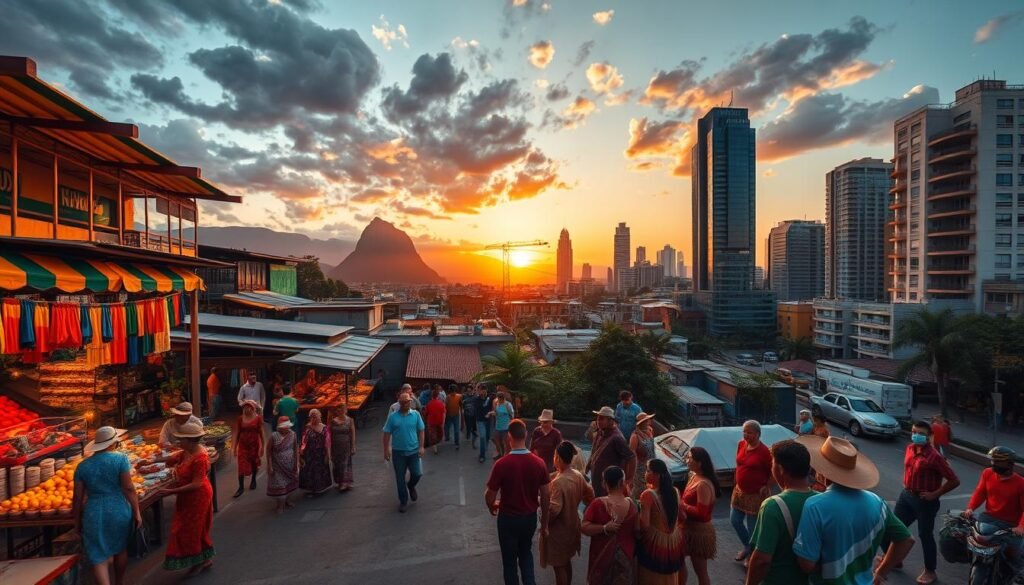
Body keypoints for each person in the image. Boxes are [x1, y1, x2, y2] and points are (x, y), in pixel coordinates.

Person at [793, 435, 914, 585]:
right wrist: (881, 572)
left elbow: (807, 564)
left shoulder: (815, 506)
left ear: (822, 471)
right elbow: (906, 540)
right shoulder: (877, 502)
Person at [881, 420, 959, 585]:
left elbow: (954, 480)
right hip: (906, 496)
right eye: (914, 431)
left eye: (921, 434)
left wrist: (935, 494)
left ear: (929, 436)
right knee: (892, 529)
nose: (916, 435)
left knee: (925, 535)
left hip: (925, 501)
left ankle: (930, 571)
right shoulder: (910, 448)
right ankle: (895, 559)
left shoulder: (935, 457)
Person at [485, 419, 551, 585]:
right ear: (526, 435)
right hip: (529, 518)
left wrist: (491, 506)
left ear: (509, 437)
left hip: (508, 519)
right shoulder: (539, 463)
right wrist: (544, 524)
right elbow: (546, 495)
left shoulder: (501, 464)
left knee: (509, 562)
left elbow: (490, 495)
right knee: (526, 554)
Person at [73, 427, 142, 585]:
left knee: (98, 556)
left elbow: (77, 498)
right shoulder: (120, 459)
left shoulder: (82, 466)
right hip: (118, 509)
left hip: (93, 512)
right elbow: (129, 488)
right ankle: (119, 582)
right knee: (120, 549)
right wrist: (137, 511)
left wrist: (77, 522)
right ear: (113, 443)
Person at [745, 440, 817, 585]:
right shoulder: (820, 500)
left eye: (772, 465)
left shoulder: (773, 505)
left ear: (781, 469)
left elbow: (762, 560)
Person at [160, 421, 215, 576]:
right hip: (187, 497)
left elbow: (196, 484)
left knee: (191, 530)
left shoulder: (200, 458)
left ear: (190, 441)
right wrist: (149, 462)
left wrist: (171, 491)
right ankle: (204, 559)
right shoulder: (186, 452)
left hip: (198, 497)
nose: (179, 442)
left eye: (181, 439)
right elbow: (172, 459)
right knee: (191, 529)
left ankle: (197, 561)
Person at [962, 445, 1024, 577]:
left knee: (1015, 556)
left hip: (1010, 525)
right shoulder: (988, 473)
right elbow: (980, 492)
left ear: (1010, 464)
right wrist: (970, 508)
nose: (993, 464)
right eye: (993, 461)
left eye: (997, 461)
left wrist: (1021, 526)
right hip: (988, 519)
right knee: (972, 539)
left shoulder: (1020, 483)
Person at [542, 441, 594, 585]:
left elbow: (554, 510)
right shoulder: (577, 475)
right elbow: (590, 495)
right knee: (566, 562)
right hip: (573, 525)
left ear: (558, 457)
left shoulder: (559, 482)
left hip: (559, 531)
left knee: (559, 567)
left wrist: (544, 521)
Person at [582, 466, 638, 585]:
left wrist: (603, 528)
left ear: (604, 483)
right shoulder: (632, 505)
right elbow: (638, 530)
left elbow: (584, 527)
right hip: (625, 556)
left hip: (601, 556)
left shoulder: (598, 503)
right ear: (621, 483)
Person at [636, 459, 685, 584]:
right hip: (673, 544)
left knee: (651, 577)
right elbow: (682, 516)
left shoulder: (648, 495)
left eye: (648, 470)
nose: (645, 473)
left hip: (654, 545)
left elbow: (645, 526)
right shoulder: (675, 491)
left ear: (656, 475)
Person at [732, 420, 774, 563]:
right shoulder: (741, 445)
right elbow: (739, 464)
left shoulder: (764, 452)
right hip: (739, 491)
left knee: (752, 528)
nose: (746, 435)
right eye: (744, 431)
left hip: (755, 494)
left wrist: (767, 485)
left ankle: (752, 556)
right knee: (735, 520)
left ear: (757, 434)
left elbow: (773, 471)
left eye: (749, 432)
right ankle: (747, 547)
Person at [681, 446, 721, 585]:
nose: (687, 461)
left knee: (701, 572)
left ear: (699, 463)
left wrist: (682, 506)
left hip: (699, 533)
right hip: (688, 529)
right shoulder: (693, 476)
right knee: (679, 563)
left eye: (690, 458)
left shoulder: (703, 484)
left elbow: (702, 514)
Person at [382, 392, 425, 513]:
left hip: (413, 451)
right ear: (399, 403)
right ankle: (403, 501)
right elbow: (386, 433)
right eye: (405, 401)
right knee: (400, 478)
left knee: (417, 474)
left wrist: (421, 446)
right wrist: (386, 449)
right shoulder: (393, 417)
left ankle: (411, 485)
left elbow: (421, 430)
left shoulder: (415, 415)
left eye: (409, 401)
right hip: (398, 453)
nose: (407, 403)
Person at [587, 406, 637, 498]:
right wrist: (586, 469)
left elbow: (631, 457)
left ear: (610, 421)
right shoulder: (599, 433)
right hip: (596, 480)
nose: (598, 421)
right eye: (598, 418)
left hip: (610, 484)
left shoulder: (617, 438)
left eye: (602, 419)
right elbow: (593, 452)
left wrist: (629, 479)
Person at [266, 416, 299, 514]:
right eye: (285, 427)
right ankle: (280, 505)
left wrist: (296, 463)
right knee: (280, 484)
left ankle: (288, 500)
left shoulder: (293, 434)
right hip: (277, 465)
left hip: (290, 464)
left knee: (289, 483)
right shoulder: (274, 436)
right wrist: (270, 465)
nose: (287, 429)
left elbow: (295, 449)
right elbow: (268, 451)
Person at [232, 400, 265, 498]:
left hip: (254, 445)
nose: (246, 409)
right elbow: (237, 432)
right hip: (243, 445)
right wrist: (234, 447)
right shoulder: (240, 419)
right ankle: (240, 487)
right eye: (244, 407)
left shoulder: (258, 419)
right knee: (241, 464)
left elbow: (261, 432)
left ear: (252, 408)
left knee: (254, 462)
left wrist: (263, 446)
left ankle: (253, 480)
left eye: (248, 407)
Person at [299, 408, 333, 496]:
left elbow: (327, 442)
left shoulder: (325, 428)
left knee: (320, 470)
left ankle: (320, 487)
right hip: (309, 454)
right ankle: (311, 488)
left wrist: (328, 455)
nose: (315, 418)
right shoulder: (307, 427)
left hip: (320, 453)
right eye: (313, 417)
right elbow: (304, 440)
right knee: (310, 471)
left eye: (317, 416)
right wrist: (301, 451)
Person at [629, 412, 656, 497]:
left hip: (651, 466)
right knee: (640, 491)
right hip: (640, 469)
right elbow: (631, 455)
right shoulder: (635, 436)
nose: (649, 421)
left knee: (651, 489)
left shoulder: (650, 430)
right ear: (642, 422)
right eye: (647, 420)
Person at [330, 402, 356, 492]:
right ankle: (340, 482)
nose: (341, 411)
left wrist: (353, 446)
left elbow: (352, 433)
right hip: (335, 446)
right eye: (339, 410)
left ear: (345, 410)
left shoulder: (350, 420)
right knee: (337, 464)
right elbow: (329, 434)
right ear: (337, 411)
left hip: (346, 445)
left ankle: (345, 483)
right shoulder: (333, 421)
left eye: (343, 409)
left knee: (345, 463)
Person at [489, 391, 515, 459]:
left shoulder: (508, 405)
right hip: (498, 426)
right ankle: (501, 453)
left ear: (503, 398)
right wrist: (492, 414)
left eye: (500, 398)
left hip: (506, 427)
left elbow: (512, 415)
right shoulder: (497, 404)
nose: (499, 399)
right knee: (497, 440)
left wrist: (511, 424)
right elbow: (496, 413)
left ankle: (505, 456)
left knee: (505, 442)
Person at [473, 383, 493, 463]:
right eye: (480, 390)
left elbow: (493, 407)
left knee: (487, 437)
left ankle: (484, 448)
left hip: (488, 421)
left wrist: (490, 413)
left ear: (486, 390)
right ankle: (482, 455)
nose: (482, 391)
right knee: (482, 437)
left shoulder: (490, 398)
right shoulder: (476, 399)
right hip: (480, 421)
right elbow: (479, 408)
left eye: (483, 390)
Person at [424, 387, 446, 454]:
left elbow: (426, 413)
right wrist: (443, 421)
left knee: (432, 434)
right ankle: (436, 444)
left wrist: (425, 419)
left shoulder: (429, 404)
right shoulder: (441, 404)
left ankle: (435, 448)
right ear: (437, 396)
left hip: (431, 421)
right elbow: (443, 413)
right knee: (439, 433)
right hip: (439, 421)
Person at [444, 384, 463, 450]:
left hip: (455, 415)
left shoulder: (458, 396)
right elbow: (445, 406)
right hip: (450, 415)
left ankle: (456, 443)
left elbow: (461, 406)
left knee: (456, 430)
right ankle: (448, 437)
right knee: (447, 428)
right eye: (452, 391)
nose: (453, 392)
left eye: (454, 391)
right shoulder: (448, 397)